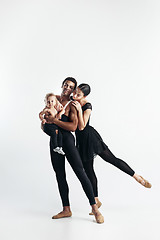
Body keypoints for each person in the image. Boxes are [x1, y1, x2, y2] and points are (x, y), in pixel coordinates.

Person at [72, 83, 152, 214]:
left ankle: (137, 177)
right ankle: (96, 200)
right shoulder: (73, 100)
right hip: (81, 140)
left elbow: (81, 126)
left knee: (111, 159)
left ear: (84, 96)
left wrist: (79, 111)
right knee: (88, 170)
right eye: (75, 92)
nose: (74, 95)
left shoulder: (87, 106)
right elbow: (60, 98)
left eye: (78, 94)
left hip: (90, 138)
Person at [42, 77, 104, 224]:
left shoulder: (73, 105)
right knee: (60, 174)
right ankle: (66, 209)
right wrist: (45, 124)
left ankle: (95, 210)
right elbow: (44, 118)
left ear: (73, 90)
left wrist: (55, 121)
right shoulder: (53, 99)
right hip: (55, 140)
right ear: (62, 85)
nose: (67, 88)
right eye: (65, 85)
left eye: (70, 87)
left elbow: (73, 127)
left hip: (68, 141)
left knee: (80, 172)